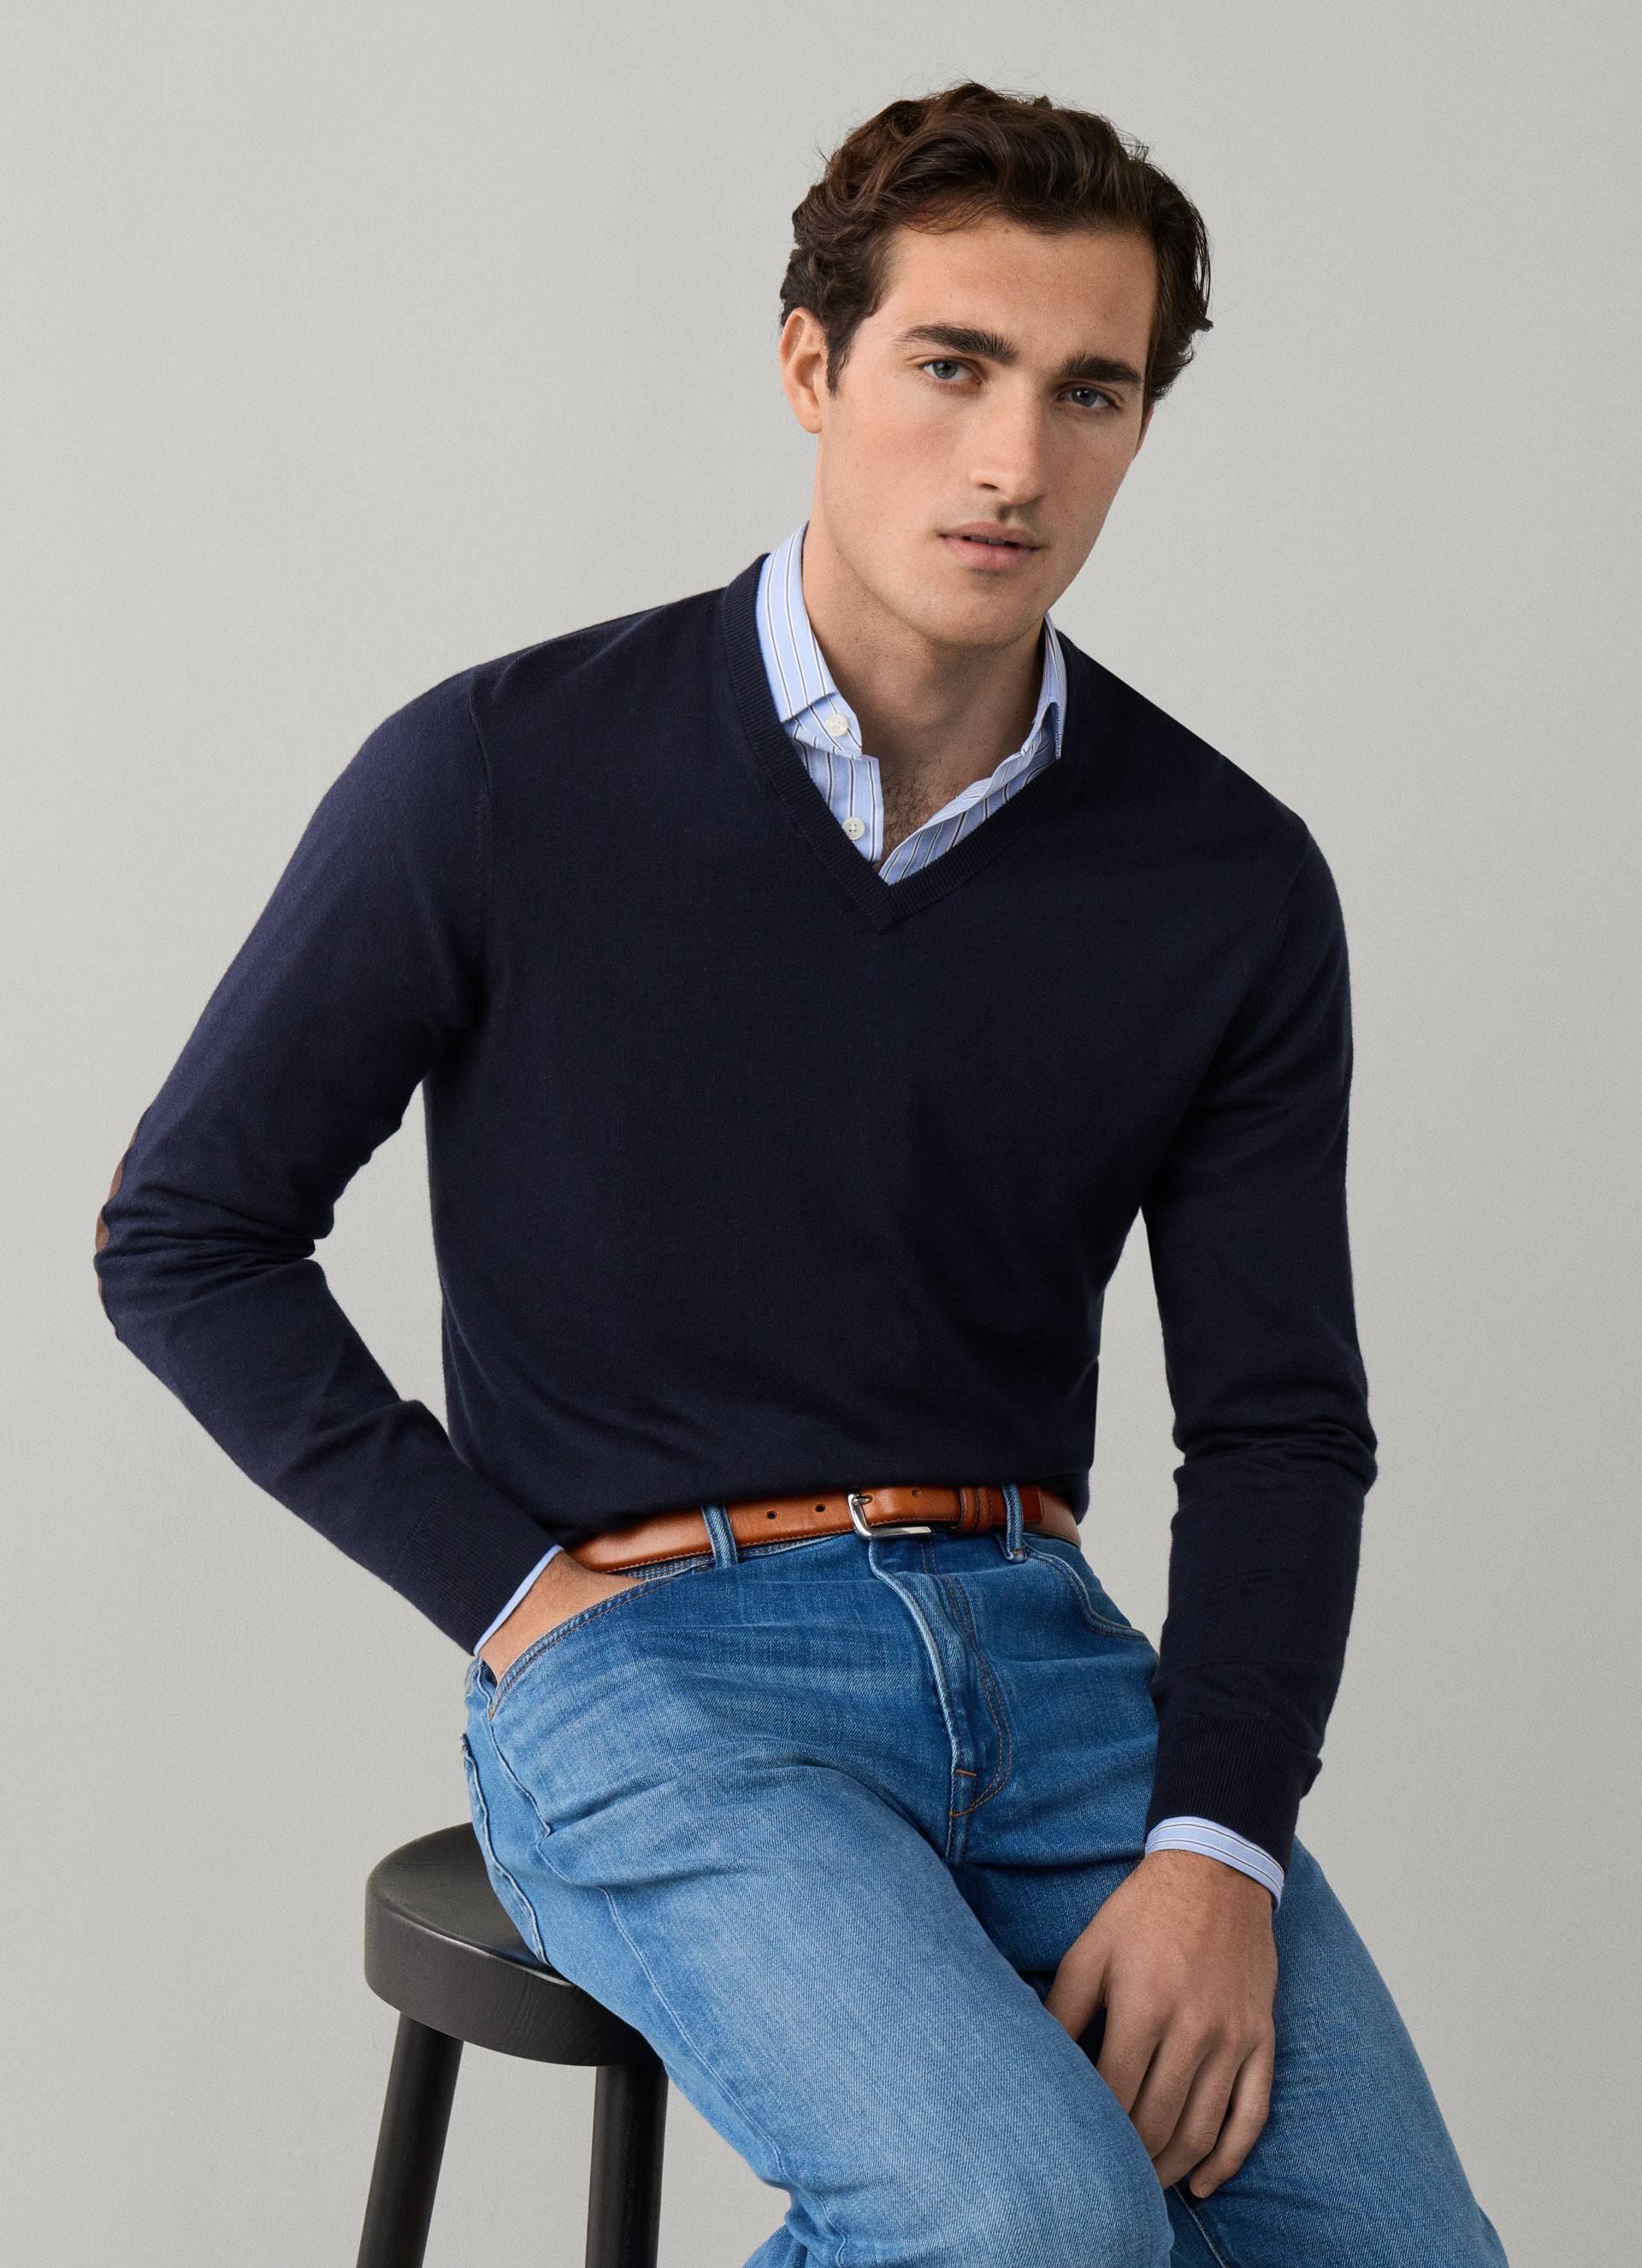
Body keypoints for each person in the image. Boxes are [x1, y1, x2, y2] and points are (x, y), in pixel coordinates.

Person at [95, 81, 1506, 2267]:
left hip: (1055, 1675)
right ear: (811, 365)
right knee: (1023, 2222)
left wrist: (1219, 1842)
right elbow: (188, 1234)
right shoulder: (500, 772)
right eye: (952, 365)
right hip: (653, 1668)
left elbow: (1278, 1425)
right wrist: (518, 1602)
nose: (1014, 457)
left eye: (1091, 391)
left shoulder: (1226, 879)